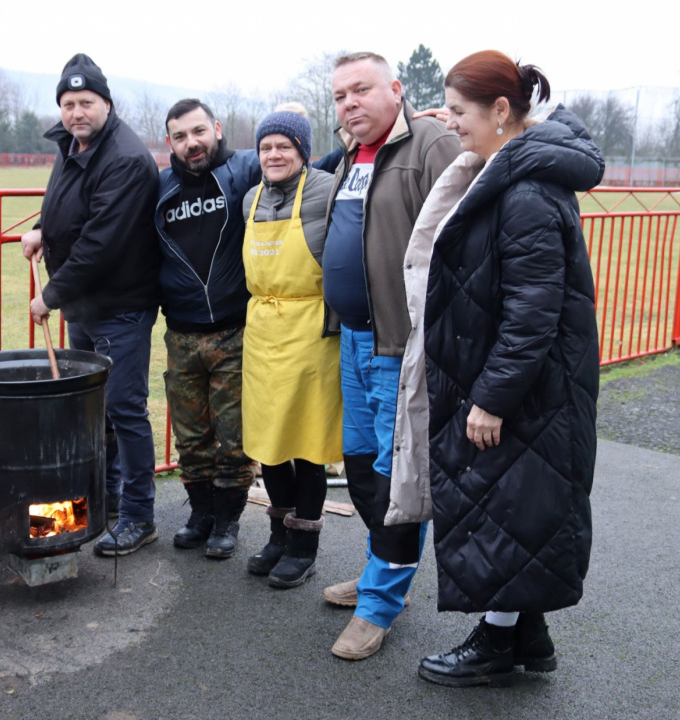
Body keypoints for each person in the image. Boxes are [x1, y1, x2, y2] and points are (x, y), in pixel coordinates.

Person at [414, 50, 602, 687]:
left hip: (522, 389)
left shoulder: (523, 190)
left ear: (501, 111)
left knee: (503, 509)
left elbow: (532, 313)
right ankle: (529, 634)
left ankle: (494, 644)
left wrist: (490, 398)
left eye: (461, 112)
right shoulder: (513, 169)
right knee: (512, 510)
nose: (453, 124)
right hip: (527, 383)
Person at [319, 52, 461, 661]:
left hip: (400, 348)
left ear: (395, 89)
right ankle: (378, 568)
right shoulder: (353, 154)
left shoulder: (432, 143)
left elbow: (462, 242)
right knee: (362, 468)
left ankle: (380, 604)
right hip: (352, 339)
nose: (349, 104)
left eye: (361, 90)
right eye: (340, 96)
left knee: (400, 478)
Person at [21, 54, 162, 557]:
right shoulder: (74, 144)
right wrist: (42, 230)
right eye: (68, 103)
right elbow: (67, 206)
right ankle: (104, 503)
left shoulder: (123, 157)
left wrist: (50, 296)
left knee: (124, 410)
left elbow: (102, 243)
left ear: (106, 103)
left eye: (86, 102)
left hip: (118, 307)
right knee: (93, 413)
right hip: (85, 307)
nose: (76, 112)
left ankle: (139, 516)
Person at [155, 99, 260, 558]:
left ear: (216, 128)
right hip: (179, 334)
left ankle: (228, 522)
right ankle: (200, 514)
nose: (191, 143)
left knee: (234, 436)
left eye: (198, 131)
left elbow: (303, 161)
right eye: (180, 136)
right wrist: (43, 228)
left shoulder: (244, 171)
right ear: (170, 142)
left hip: (234, 331)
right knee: (191, 436)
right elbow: (105, 213)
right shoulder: (159, 189)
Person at [240, 110, 339, 588]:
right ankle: (278, 535)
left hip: (310, 330)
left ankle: (304, 545)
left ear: (303, 151)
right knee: (269, 442)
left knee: (307, 444)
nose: (274, 155)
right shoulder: (249, 199)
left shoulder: (325, 189)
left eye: (284, 146)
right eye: (266, 147)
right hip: (262, 332)